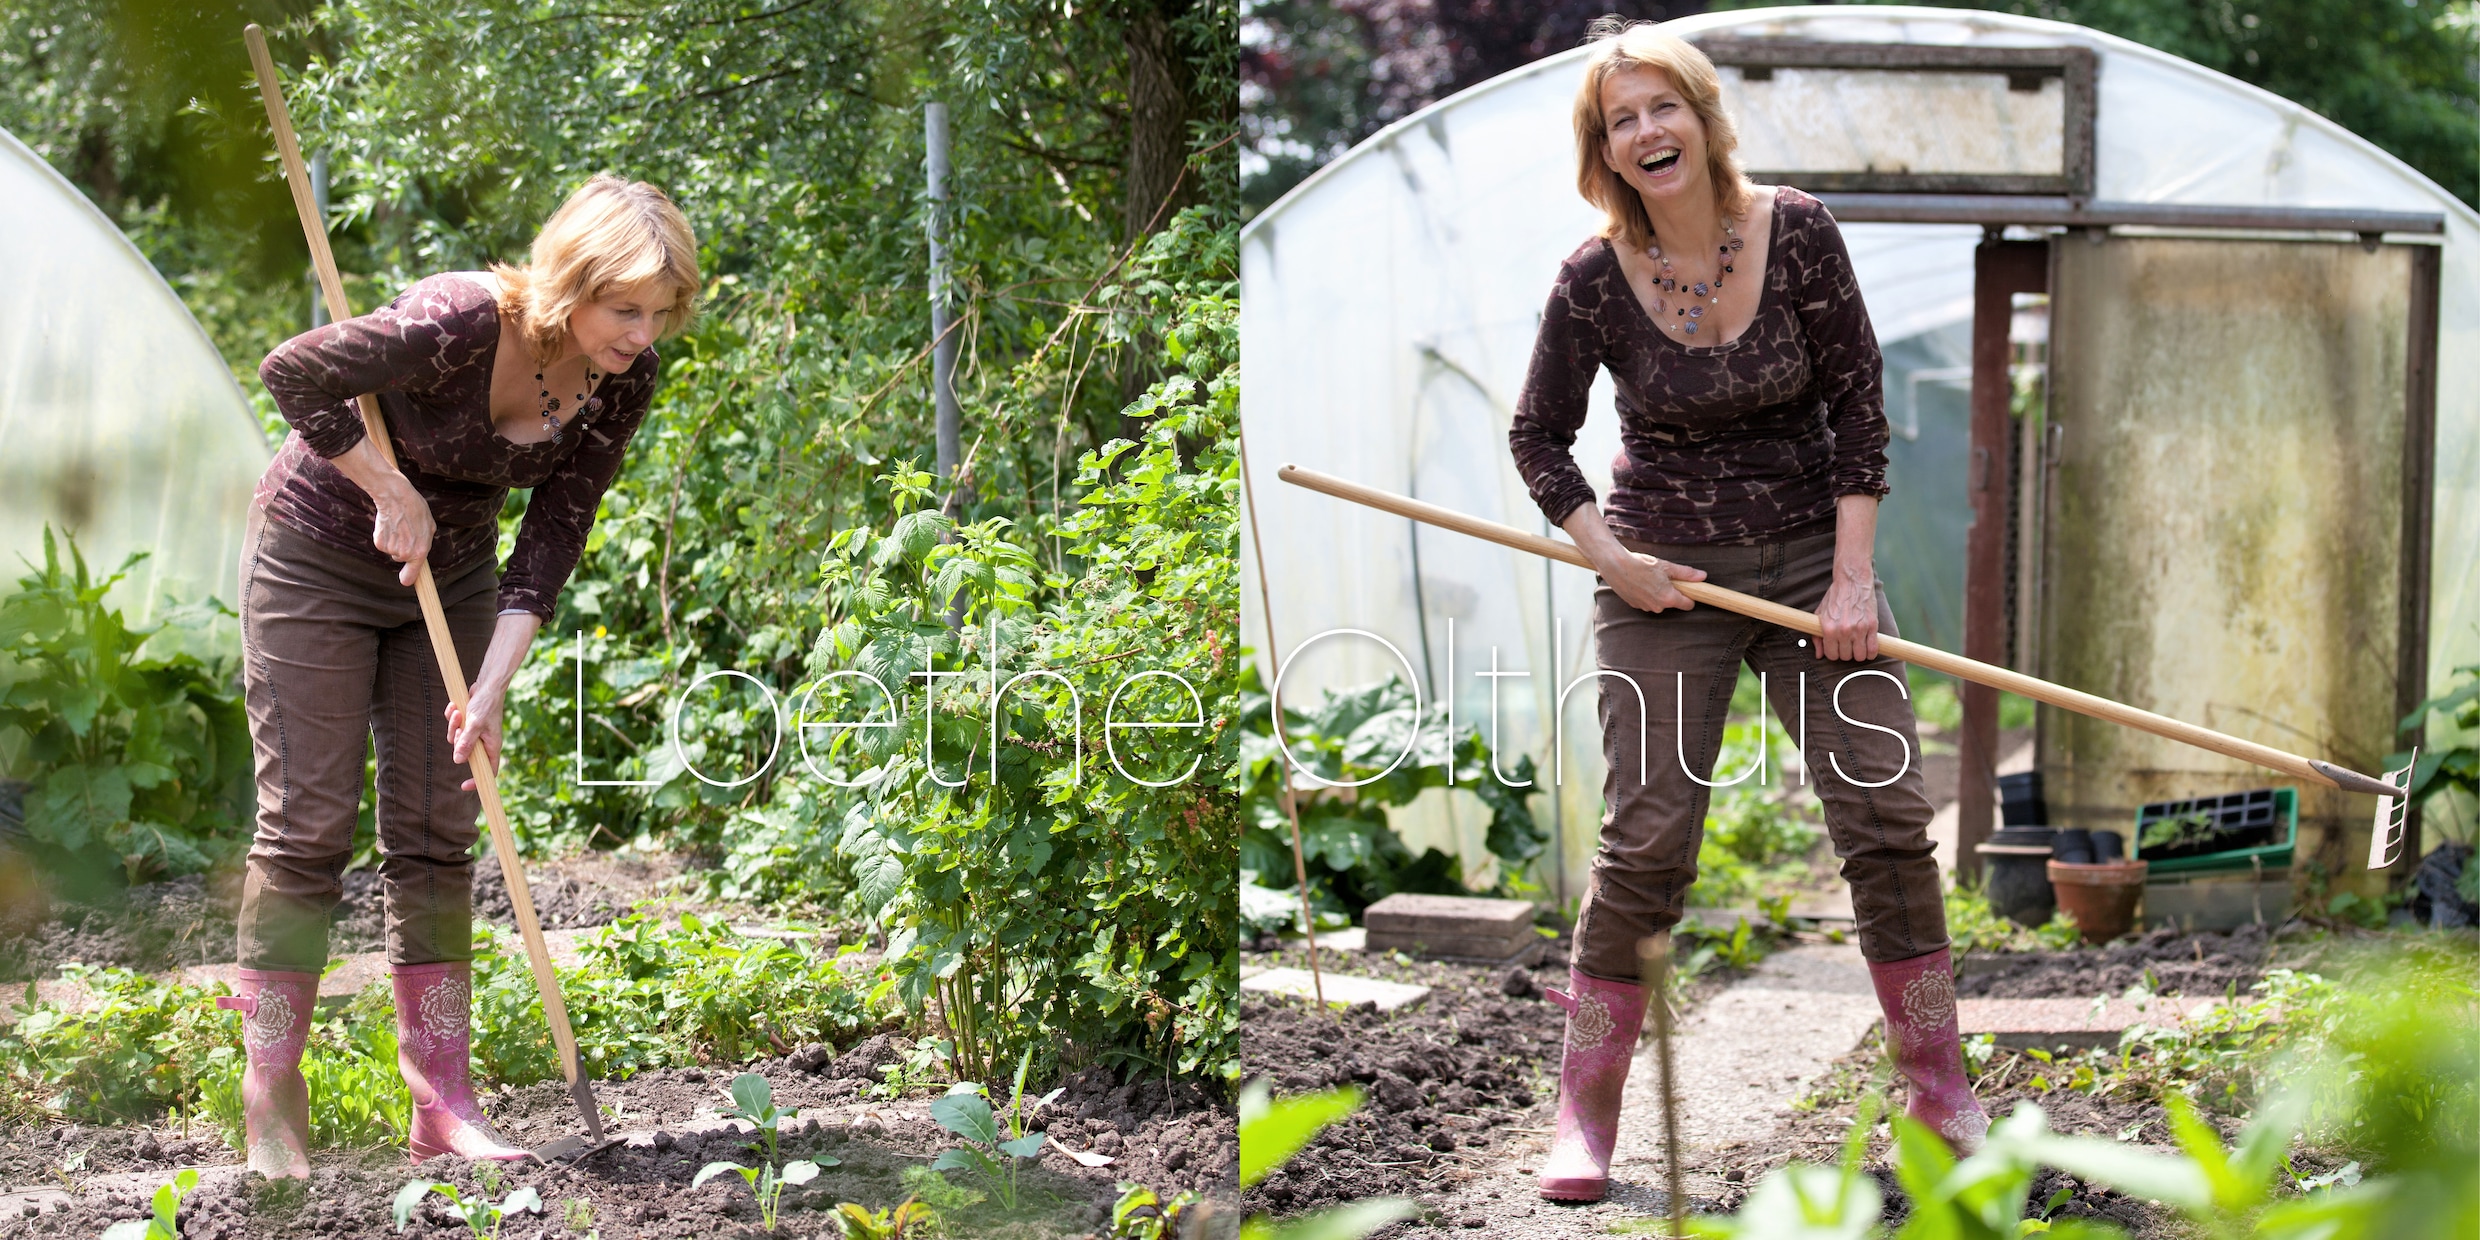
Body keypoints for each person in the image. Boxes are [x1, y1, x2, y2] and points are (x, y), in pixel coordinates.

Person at [1507, 21, 1986, 1202]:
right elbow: (1537, 437)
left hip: (1814, 562)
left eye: (1660, 106)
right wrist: (1613, 559)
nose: (1644, 131)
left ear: (1702, 117)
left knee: (1884, 817)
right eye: (1619, 119)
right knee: (1647, 839)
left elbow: (1858, 405)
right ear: (1603, 149)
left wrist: (1850, 576)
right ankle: (1586, 1111)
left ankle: (1938, 1085)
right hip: (1664, 581)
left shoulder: (1800, 232)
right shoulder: (1588, 278)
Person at [221, 174, 697, 1176]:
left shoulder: (623, 378)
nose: (641, 334)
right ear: (572, 279)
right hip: (316, 558)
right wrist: (388, 485)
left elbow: (554, 537)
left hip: (456, 577)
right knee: (306, 824)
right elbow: (292, 369)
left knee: (441, 821)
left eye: (658, 313)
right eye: (625, 307)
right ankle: (271, 1097)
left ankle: (443, 1102)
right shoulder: (458, 321)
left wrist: (491, 685)